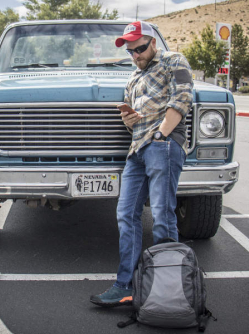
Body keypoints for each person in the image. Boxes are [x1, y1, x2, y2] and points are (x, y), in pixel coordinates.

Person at [90, 21, 193, 307]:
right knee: (125, 214)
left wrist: (161, 134)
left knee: (162, 214)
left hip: (163, 145)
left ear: (153, 42)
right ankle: (126, 286)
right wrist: (128, 121)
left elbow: (183, 97)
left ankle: (169, 291)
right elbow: (132, 121)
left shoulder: (174, 60)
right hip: (136, 150)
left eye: (140, 48)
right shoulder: (133, 78)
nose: (136, 55)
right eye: (131, 51)